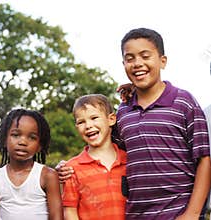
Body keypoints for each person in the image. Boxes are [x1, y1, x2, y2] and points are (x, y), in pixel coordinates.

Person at [117, 27, 210, 219]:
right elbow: (112, 154)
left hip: (178, 213)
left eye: (145, 56)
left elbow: (204, 159)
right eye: (130, 58)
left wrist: (192, 214)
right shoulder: (123, 111)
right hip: (135, 214)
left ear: (162, 61)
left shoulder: (184, 103)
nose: (137, 64)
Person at [0, 109, 63, 220]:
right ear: (5, 140)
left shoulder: (47, 176)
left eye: (32, 137)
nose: (23, 142)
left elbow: (57, 217)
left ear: (40, 146)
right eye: (15, 135)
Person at [62, 94, 126, 220]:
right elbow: (70, 212)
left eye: (94, 118)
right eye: (81, 122)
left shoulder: (130, 161)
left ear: (111, 119)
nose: (88, 125)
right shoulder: (71, 168)